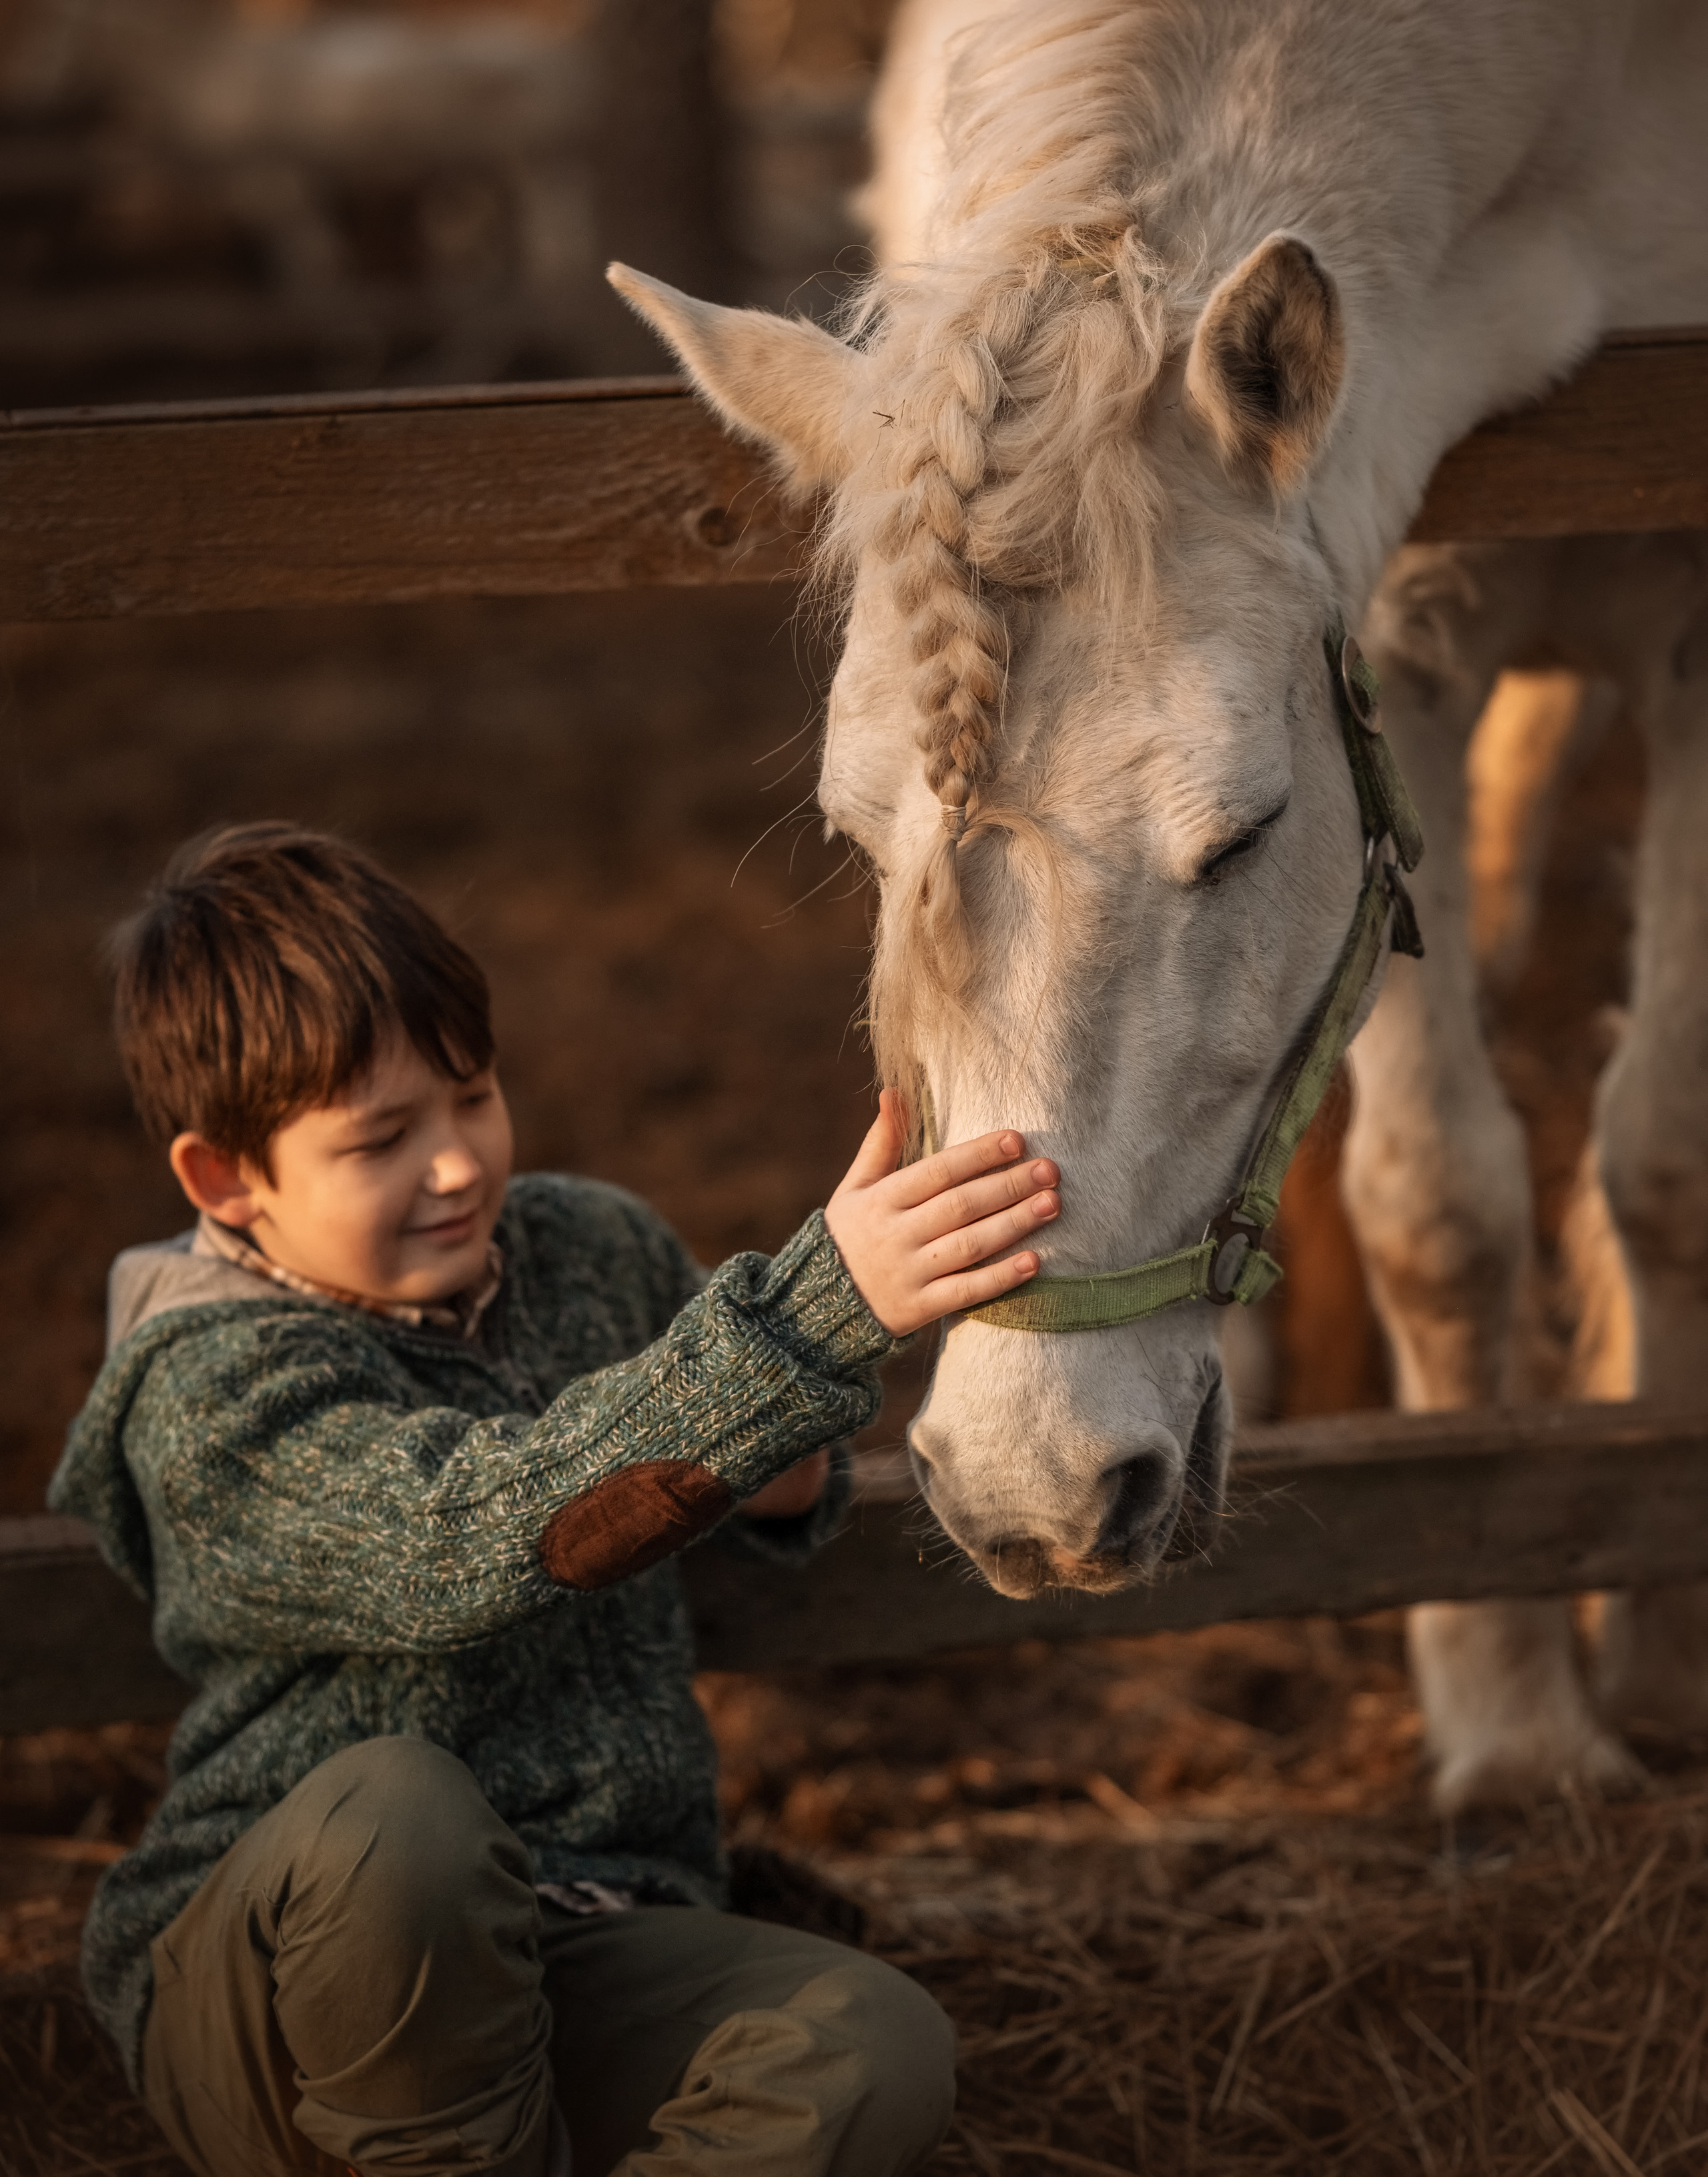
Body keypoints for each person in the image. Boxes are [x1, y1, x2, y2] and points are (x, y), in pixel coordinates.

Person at [50, 821, 1063, 2177]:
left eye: (472, 1096)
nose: (458, 1163)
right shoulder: (207, 1391)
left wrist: (783, 1449)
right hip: (298, 1993)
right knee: (402, 1809)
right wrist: (803, 1327)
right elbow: (449, 1542)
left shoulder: (590, 1244)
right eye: (381, 1139)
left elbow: (720, 1454)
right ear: (225, 1179)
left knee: (867, 2041)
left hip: (587, 1933)